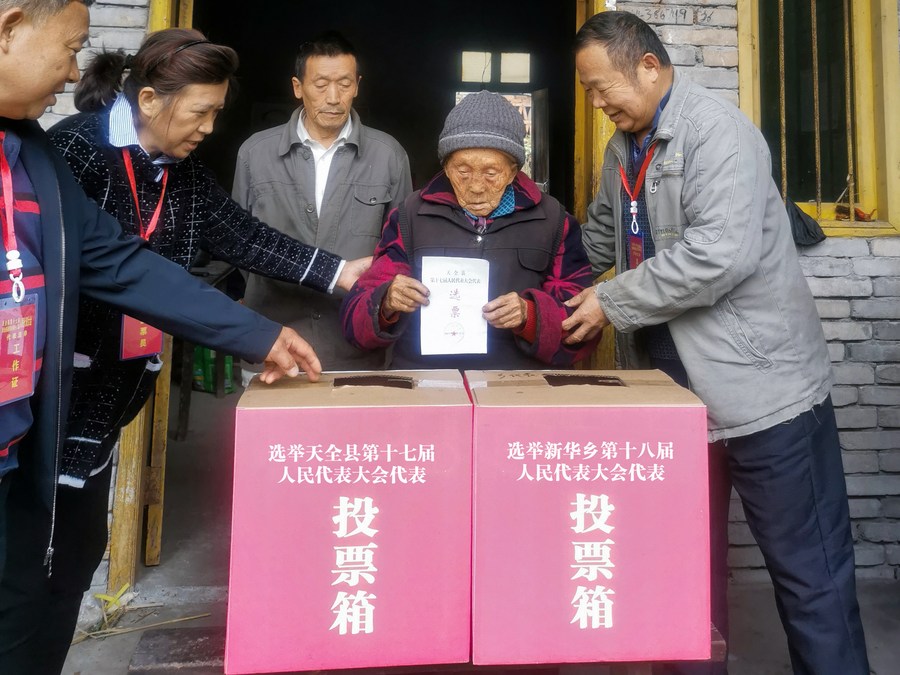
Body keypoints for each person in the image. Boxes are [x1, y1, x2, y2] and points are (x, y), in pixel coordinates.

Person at [0, 2, 321, 673]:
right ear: (9, 30)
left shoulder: (31, 155)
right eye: (69, 47)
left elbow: (122, 261)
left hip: (30, 441)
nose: (72, 71)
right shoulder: (75, 150)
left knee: (35, 600)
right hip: (54, 418)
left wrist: (259, 333)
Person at [562, 11, 868, 675]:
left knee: (810, 577)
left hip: (766, 397)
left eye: (601, 86)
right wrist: (538, 284)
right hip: (672, 404)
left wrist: (609, 301)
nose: (596, 102)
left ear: (647, 64)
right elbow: (595, 242)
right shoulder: (623, 149)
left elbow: (717, 257)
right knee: (683, 585)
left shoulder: (718, 133)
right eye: (586, 91)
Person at [49, 27, 370, 490]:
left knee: (79, 527)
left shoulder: (184, 172)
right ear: (148, 100)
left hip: (114, 388)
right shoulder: (74, 153)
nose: (209, 128)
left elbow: (243, 236)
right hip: (56, 387)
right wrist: (254, 333)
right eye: (201, 112)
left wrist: (338, 271)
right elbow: (117, 272)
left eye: (216, 113)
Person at [341, 90, 595, 369]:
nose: (476, 186)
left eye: (490, 173)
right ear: (446, 167)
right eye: (462, 170)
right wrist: (386, 301)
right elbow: (354, 326)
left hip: (519, 388)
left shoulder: (553, 221)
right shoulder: (410, 216)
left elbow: (582, 330)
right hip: (427, 385)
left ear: (513, 171)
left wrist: (530, 316)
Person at [234, 31, 412, 375]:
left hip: (354, 347)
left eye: (344, 84)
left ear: (357, 85)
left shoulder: (389, 155)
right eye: (321, 84)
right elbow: (237, 242)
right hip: (273, 342)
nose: (334, 97)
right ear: (298, 87)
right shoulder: (255, 154)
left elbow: (399, 249)